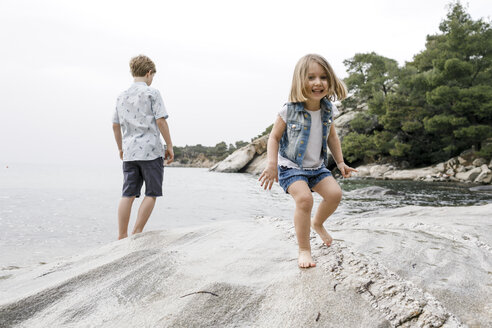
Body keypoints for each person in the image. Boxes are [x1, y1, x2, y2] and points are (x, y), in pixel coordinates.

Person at [259, 54, 357, 268]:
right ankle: (304, 250)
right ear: (300, 81)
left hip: (316, 168)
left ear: (330, 80)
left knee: (335, 194)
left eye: (323, 77)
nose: (317, 83)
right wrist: (272, 165)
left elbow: (332, 136)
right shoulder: (289, 109)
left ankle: (317, 223)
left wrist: (340, 163)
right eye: (311, 77)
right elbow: (274, 137)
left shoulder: (328, 109)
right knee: (304, 200)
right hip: (291, 168)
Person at [112, 55, 174, 240]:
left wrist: (120, 148)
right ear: (149, 73)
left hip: (130, 151)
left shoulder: (121, 96)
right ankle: (137, 232)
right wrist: (169, 145)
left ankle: (121, 236)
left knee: (128, 193)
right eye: (152, 76)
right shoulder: (152, 93)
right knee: (152, 193)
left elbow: (115, 125)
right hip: (151, 151)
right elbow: (160, 120)